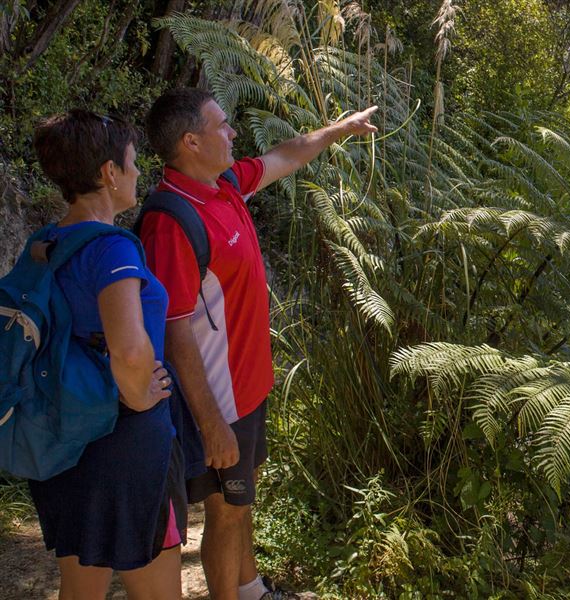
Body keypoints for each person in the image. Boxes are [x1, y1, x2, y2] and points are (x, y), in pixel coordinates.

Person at [140, 87, 377, 600]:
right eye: (221, 125)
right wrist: (210, 422)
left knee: (242, 505)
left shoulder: (223, 184)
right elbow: (174, 330)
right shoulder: (171, 222)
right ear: (190, 142)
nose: (232, 133)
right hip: (219, 401)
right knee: (226, 515)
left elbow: (284, 155)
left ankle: (251, 591)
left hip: (247, 388)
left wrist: (338, 130)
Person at [29, 110, 185, 599]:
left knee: (80, 587)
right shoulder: (114, 250)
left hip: (64, 434)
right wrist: (142, 397)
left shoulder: (44, 244)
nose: (139, 173)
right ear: (108, 173)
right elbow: (131, 348)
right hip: (124, 446)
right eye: (133, 162)